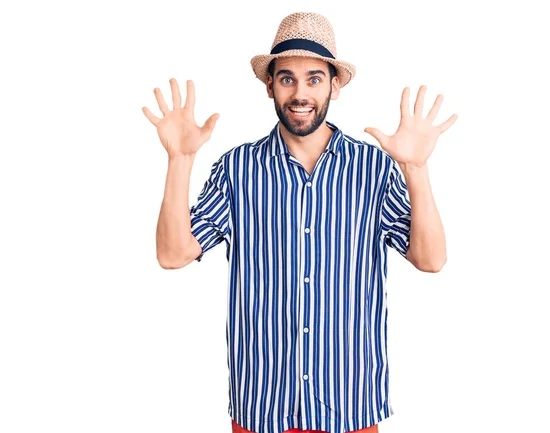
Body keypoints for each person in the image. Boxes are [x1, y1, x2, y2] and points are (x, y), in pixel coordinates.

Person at [144, 11, 457, 433]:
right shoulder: (238, 168)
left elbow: (431, 259)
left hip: (349, 403)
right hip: (263, 406)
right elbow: (172, 254)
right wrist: (180, 160)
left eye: (314, 78)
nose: (300, 92)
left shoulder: (374, 168)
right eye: (287, 78)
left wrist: (415, 170)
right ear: (269, 85)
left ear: (334, 85)